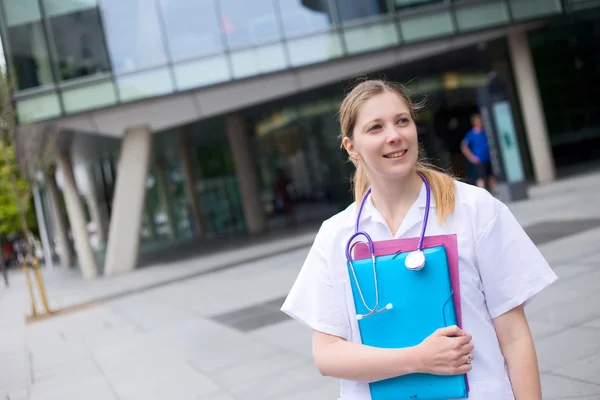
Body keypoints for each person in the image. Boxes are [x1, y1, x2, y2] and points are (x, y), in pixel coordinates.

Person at [281, 80, 557, 399]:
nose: (394, 135)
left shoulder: (475, 210)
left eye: (402, 121)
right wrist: (419, 359)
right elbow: (327, 355)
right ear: (351, 148)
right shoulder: (335, 236)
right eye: (375, 127)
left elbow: (514, 338)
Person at [461, 113, 497, 193]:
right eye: (477, 122)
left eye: (480, 122)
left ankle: (495, 194)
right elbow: (464, 147)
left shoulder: (485, 132)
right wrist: (472, 157)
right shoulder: (471, 134)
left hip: (488, 157)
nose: (479, 123)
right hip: (479, 159)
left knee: (491, 177)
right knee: (481, 178)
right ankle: (482, 194)